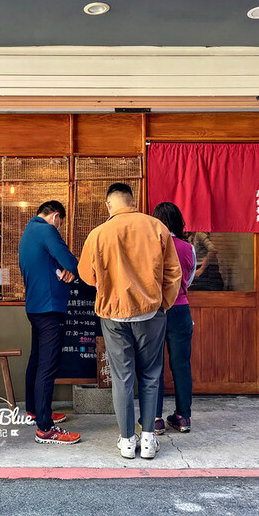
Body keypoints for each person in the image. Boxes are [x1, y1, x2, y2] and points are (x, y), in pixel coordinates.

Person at [77, 183, 181, 460]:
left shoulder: (98, 233)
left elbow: (86, 275)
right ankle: (147, 439)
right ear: (133, 202)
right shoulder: (156, 227)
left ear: (109, 205)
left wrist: (104, 282)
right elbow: (173, 272)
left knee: (122, 378)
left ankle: (126, 440)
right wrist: (164, 304)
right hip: (150, 313)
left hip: (113, 314)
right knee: (150, 375)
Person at [18, 200, 81, 445]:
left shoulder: (28, 232)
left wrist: (65, 269)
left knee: (36, 360)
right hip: (49, 307)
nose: (59, 228)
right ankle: (45, 428)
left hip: (35, 306)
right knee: (48, 365)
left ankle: (34, 410)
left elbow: (53, 264)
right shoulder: (47, 230)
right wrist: (72, 269)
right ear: (55, 216)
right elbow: (69, 260)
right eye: (60, 223)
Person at [151, 202, 196, 434]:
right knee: (181, 366)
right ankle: (183, 417)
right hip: (181, 309)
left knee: (154, 366)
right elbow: (188, 280)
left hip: (156, 311)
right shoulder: (188, 248)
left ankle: (156, 419)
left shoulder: (152, 246)